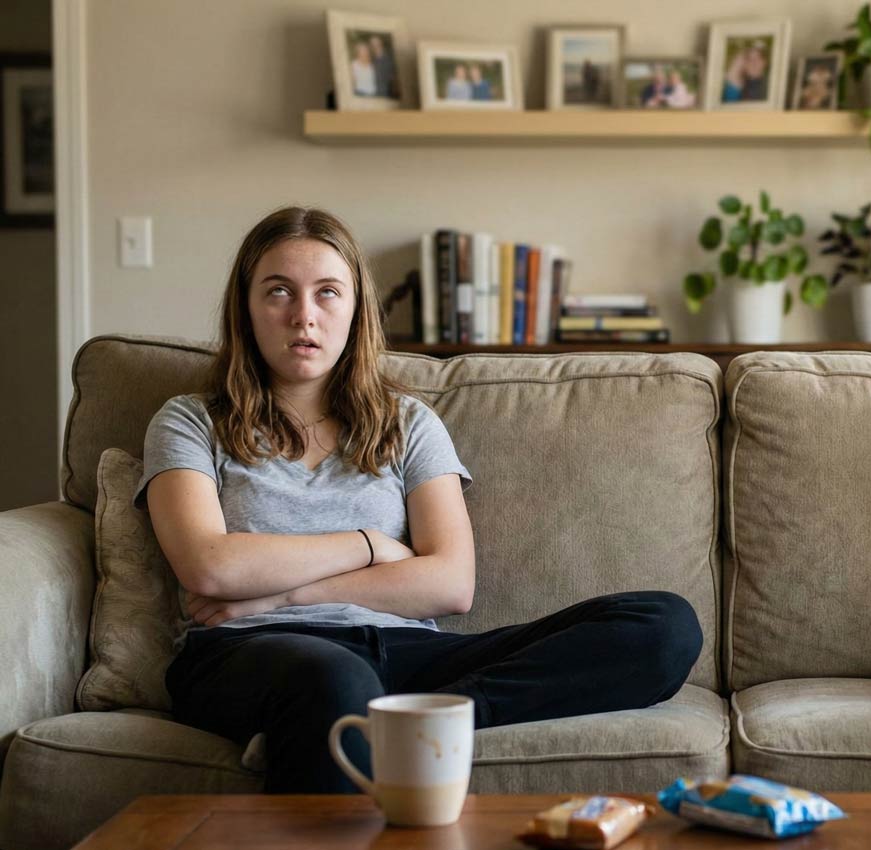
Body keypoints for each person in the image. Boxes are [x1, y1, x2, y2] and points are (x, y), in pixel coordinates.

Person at [142, 206, 703, 793]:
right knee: (333, 677)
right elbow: (208, 564)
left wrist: (277, 592)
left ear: (356, 309)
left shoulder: (408, 423)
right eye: (279, 291)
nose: (304, 315)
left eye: (328, 293)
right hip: (249, 652)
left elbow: (450, 584)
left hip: (405, 653)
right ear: (246, 307)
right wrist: (370, 546)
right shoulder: (190, 421)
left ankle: (424, 718)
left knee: (662, 625)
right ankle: (368, 720)